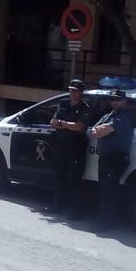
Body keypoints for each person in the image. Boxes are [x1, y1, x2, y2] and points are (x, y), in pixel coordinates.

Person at [91, 89, 134, 231]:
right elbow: (94, 131)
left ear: (124, 102)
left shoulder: (124, 117)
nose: (114, 102)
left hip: (116, 157)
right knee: (105, 189)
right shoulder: (108, 115)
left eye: (118, 100)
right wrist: (102, 129)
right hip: (105, 157)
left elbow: (103, 130)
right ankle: (104, 220)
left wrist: (102, 130)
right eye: (112, 100)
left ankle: (106, 223)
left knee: (109, 190)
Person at [48, 79, 92, 218]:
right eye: (71, 90)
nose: (72, 93)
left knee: (74, 180)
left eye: (76, 91)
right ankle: (57, 206)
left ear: (81, 93)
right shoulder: (63, 104)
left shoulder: (85, 108)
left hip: (75, 148)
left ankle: (75, 211)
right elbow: (53, 123)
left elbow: (80, 127)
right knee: (59, 177)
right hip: (61, 146)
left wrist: (63, 123)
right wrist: (67, 125)